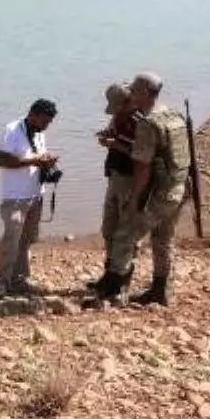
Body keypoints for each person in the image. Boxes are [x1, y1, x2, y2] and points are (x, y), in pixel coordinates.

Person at [98, 72, 190, 306]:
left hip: (160, 192)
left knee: (125, 235)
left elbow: (143, 168)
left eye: (135, 90)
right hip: (179, 188)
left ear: (146, 93)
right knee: (163, 239)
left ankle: (114, 292)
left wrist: (135, 200)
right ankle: (161, 291)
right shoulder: (173, 114)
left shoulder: (148, 124)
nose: (132, 94)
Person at [0, 98, 59, 298]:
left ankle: (20, 280)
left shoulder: (39, 133)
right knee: (11, 241)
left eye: (49, 123)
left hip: (35, 196)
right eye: (45, 121)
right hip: (15, 198)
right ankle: (0, 283)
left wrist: (46, 161)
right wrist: (34, 160)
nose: (47, 126)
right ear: (33, 115)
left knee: (27, 240)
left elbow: (37, 157)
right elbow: (0, 160)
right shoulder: (12, 130)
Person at [87, 82, 142, 293]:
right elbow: (115, 134)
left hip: (130, 180)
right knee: (109, 228)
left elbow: (141, 156)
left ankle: (122, 279)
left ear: (128, 102)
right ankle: (110, 274)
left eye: (117, 106)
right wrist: (108, 135)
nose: (115, 111)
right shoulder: (119, 117)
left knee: (126, 231)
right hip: (115, 175)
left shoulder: (140, 122)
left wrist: (115, 145)